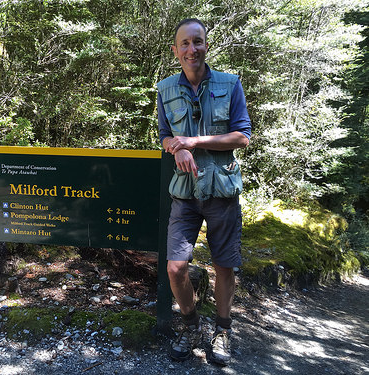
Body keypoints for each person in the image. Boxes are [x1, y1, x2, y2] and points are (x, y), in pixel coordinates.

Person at [157, 18, 251, 365]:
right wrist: (176, 148)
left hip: (222, 191)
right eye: (185, 43)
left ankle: (223, 330)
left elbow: (242, 136)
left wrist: (194, 141)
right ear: (175, 50)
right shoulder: (165, 89)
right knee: (175, 268)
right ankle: (192, 326)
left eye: (197, 42)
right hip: (184, 193)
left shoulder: (230, 84)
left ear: (206, 46)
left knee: (224, 266)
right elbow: (165, 134)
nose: (191, 49)